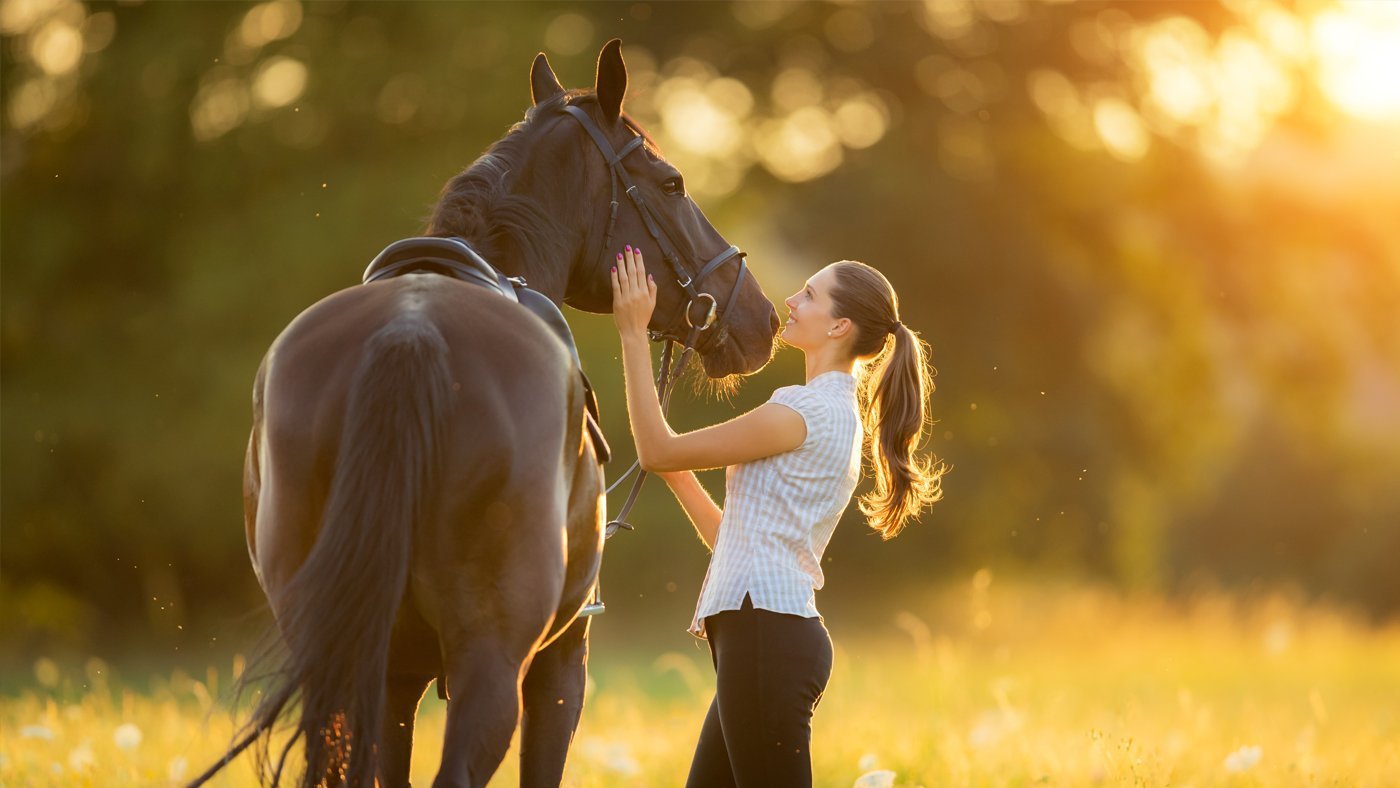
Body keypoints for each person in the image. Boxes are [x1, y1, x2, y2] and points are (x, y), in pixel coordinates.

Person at [609, 244, 945, 787]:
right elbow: (731, 535)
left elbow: (655, 449)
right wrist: (676, 467)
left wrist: (632, 332)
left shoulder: (803, 410)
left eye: (809, 294)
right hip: (764, 634)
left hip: (766, 637)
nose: (791, 300)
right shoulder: (829, 412)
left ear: (839, 326)